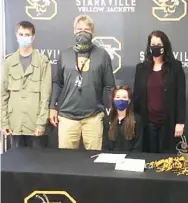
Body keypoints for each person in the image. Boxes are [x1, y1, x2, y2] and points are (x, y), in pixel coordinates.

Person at [49, 15, 115, 150]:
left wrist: (106, 110)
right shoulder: (64, 54)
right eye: (79, 29)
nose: (82, 32)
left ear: (93, 32)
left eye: (86, 29)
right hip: (67, 117)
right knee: (66, 162)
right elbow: (57, 83)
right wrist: (52, 107)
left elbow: (109, 86)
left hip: (93, 117)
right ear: (74, 31)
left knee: (94, 162)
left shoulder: (102, 55)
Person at [1, 21, 52, 148]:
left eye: (27, 35)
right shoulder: (8, 62)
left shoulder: (42, 62)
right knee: (16, 164)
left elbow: (46, 96)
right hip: (15, 124)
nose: (24, 37)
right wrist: (3, 123)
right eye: (21, 34)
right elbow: (3, 95)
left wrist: (41, 124)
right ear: (16, 35)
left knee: (36, 164)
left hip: (34, 124)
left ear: (33, 37)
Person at [133, 30, 186, 153]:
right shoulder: (141, 69)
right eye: (153, 44)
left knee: (166, 158)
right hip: (148, 122)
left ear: (165, 45)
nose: (155, 47)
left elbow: (180, 97)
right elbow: (137, 97)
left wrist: (180, 122)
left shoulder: (175, 67)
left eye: (158, 44)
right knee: (150, 156)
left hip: (169, 122)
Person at [108, 86, 143, 152]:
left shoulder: (136, 119)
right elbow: (106, 145)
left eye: (124, 97)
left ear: (129, 100)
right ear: (113, 100)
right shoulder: (109, 119)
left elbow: (138, 146)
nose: (120, 100)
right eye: (118, 97)